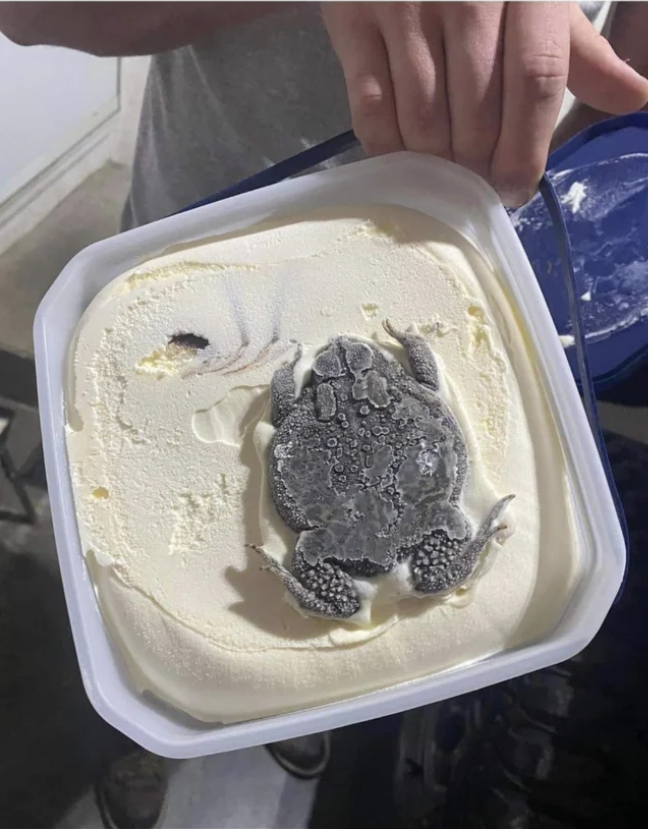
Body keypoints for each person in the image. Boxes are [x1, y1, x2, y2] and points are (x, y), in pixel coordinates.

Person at [1, 3, 647, 828]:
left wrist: (575, 133)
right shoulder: (325, 408)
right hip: (196, 246)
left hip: (463, 247)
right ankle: (180, 736)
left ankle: (305, 716)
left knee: (344, 659)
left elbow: (630, 63)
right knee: (177, 653)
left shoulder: (317, 416)